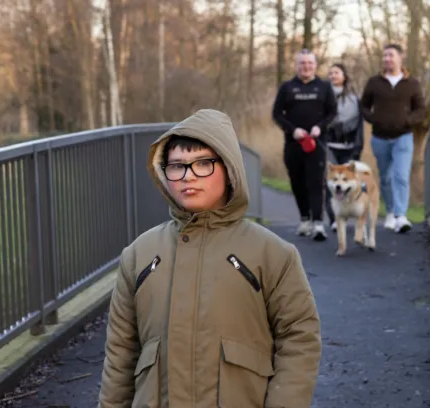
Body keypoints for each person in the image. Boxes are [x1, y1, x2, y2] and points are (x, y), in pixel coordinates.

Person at [97, 109, 322, 408]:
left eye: (203, 163)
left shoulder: (272, 254)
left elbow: (299, 340)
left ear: (229, 168)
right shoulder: (139, 255)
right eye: (176, 166)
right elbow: (120, 355)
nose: (188, 176)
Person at [272, 48, 338, 241]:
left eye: (309, 63)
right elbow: (276, 115)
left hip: (317, 144)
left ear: (315, 65)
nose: (306, 67)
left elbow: (332, 113)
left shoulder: (325, 87)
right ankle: (304, 219)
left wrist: (320, 127)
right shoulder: (287, 87)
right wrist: (293, 130)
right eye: (302, 63)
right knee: (298, 182)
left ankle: (318, 223)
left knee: (316, 182)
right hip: (293, 144)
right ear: (297, 65)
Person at [360, 43, 426, 233]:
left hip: (403, 137)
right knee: (386, 178)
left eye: (391, 55)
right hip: (380, 137)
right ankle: (389, 212)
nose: (387, 59)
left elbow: (420, 109)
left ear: (400, 58)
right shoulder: (374, 82)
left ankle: (400, 216)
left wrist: (408, 120)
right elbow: (364, 106)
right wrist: (374, 119)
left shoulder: (411, 83)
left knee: (401, 176)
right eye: (385, 56)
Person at [324, 63, 365, 232]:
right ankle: (334, 218)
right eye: (330, 73)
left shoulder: (354, 98)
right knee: (332, 182)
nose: (333, 75)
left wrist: (358, 146)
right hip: (328, 145)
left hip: (349, 146)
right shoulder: (323, 96)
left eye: (336, 72)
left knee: (350, 183)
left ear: (344, 76)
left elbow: (359, 124)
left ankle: (351, 215)